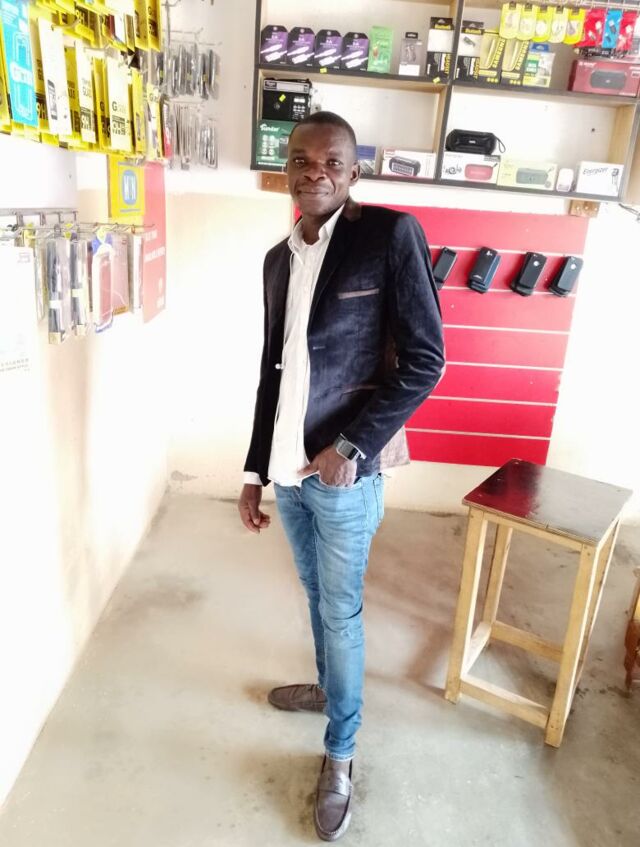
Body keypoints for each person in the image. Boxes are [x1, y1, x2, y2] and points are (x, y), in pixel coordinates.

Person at [238, 111, 445, 842]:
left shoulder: (389, 236)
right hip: (289, 472)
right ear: (286, 170)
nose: (315, 172)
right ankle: (329, 691)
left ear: (354, 173)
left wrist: (350, 446)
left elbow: (426, 361)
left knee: (341, 611)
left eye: (332, 162)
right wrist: (255, 470)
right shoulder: (278, 259)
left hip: (344, 475)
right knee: (318, 595)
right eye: (301, 159)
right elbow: (273, 373)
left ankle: (342, 750)